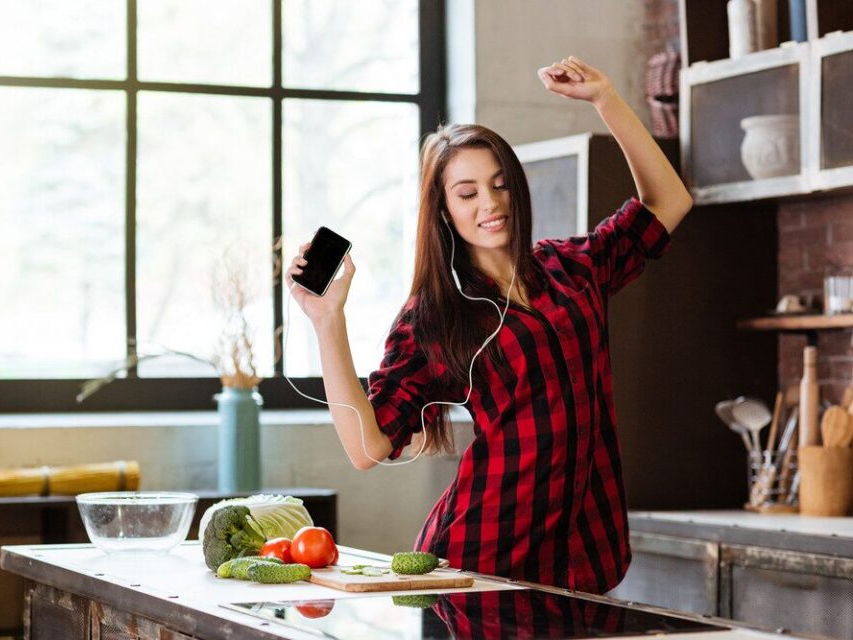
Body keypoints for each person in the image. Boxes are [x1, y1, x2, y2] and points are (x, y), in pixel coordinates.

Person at [284, 56, 693, 593]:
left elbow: (669, 201)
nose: (491, 203)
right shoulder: (438, 315)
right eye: (468, 192)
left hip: (585, 553)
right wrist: (327, 321)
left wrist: (605, 99)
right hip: (481, 561)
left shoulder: (572, 267)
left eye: (500, 184)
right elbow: (368, 447)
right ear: (444, 211)